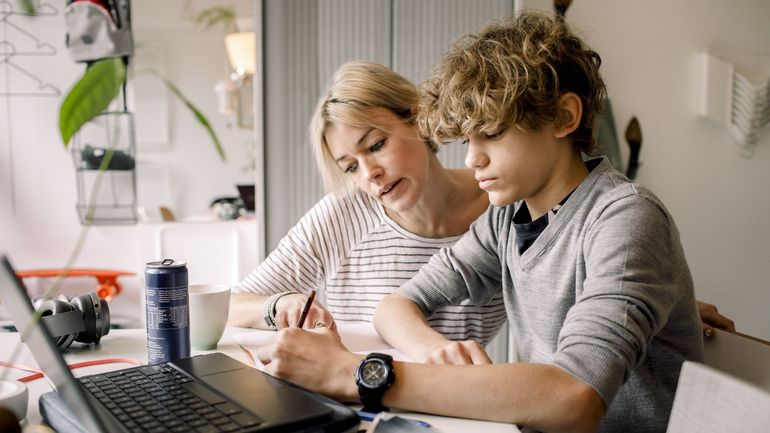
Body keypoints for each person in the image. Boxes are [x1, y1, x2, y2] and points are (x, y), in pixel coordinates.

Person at [256, 12, 707, 432]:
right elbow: (396, 305)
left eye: (491, 133)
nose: (472, 158)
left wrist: (356, 374)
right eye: (468, 138)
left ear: (564, 117)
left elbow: (574, 397)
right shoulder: (507, 220)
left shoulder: (626, 218)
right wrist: (435, 351)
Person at [229, 60, 508, 345]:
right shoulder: (342, 216)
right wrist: (277, 305)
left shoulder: (502, 205)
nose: (369, 174)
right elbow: (229, 306)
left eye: (376, 145)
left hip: (458, 387)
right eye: (350, 167)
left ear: (417, 118)